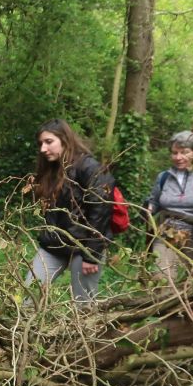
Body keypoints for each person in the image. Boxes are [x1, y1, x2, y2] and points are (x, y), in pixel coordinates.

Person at [24, 119, 114, 302]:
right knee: (29, 296)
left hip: (84, 247)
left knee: (84, 306)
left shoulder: (89, 167)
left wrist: (92, 254)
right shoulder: (51, 169)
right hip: (54, 244)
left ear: (65, 140)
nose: (43, 149)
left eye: (49, 142)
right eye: (41, 144)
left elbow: (101, 211)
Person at [144, 130, 193, 281]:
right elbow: (154, 201)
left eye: (184, 152)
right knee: (162, 279)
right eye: (174, 153)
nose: (178, 157)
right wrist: (150, 208)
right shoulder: (164, 177)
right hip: (166, 233)